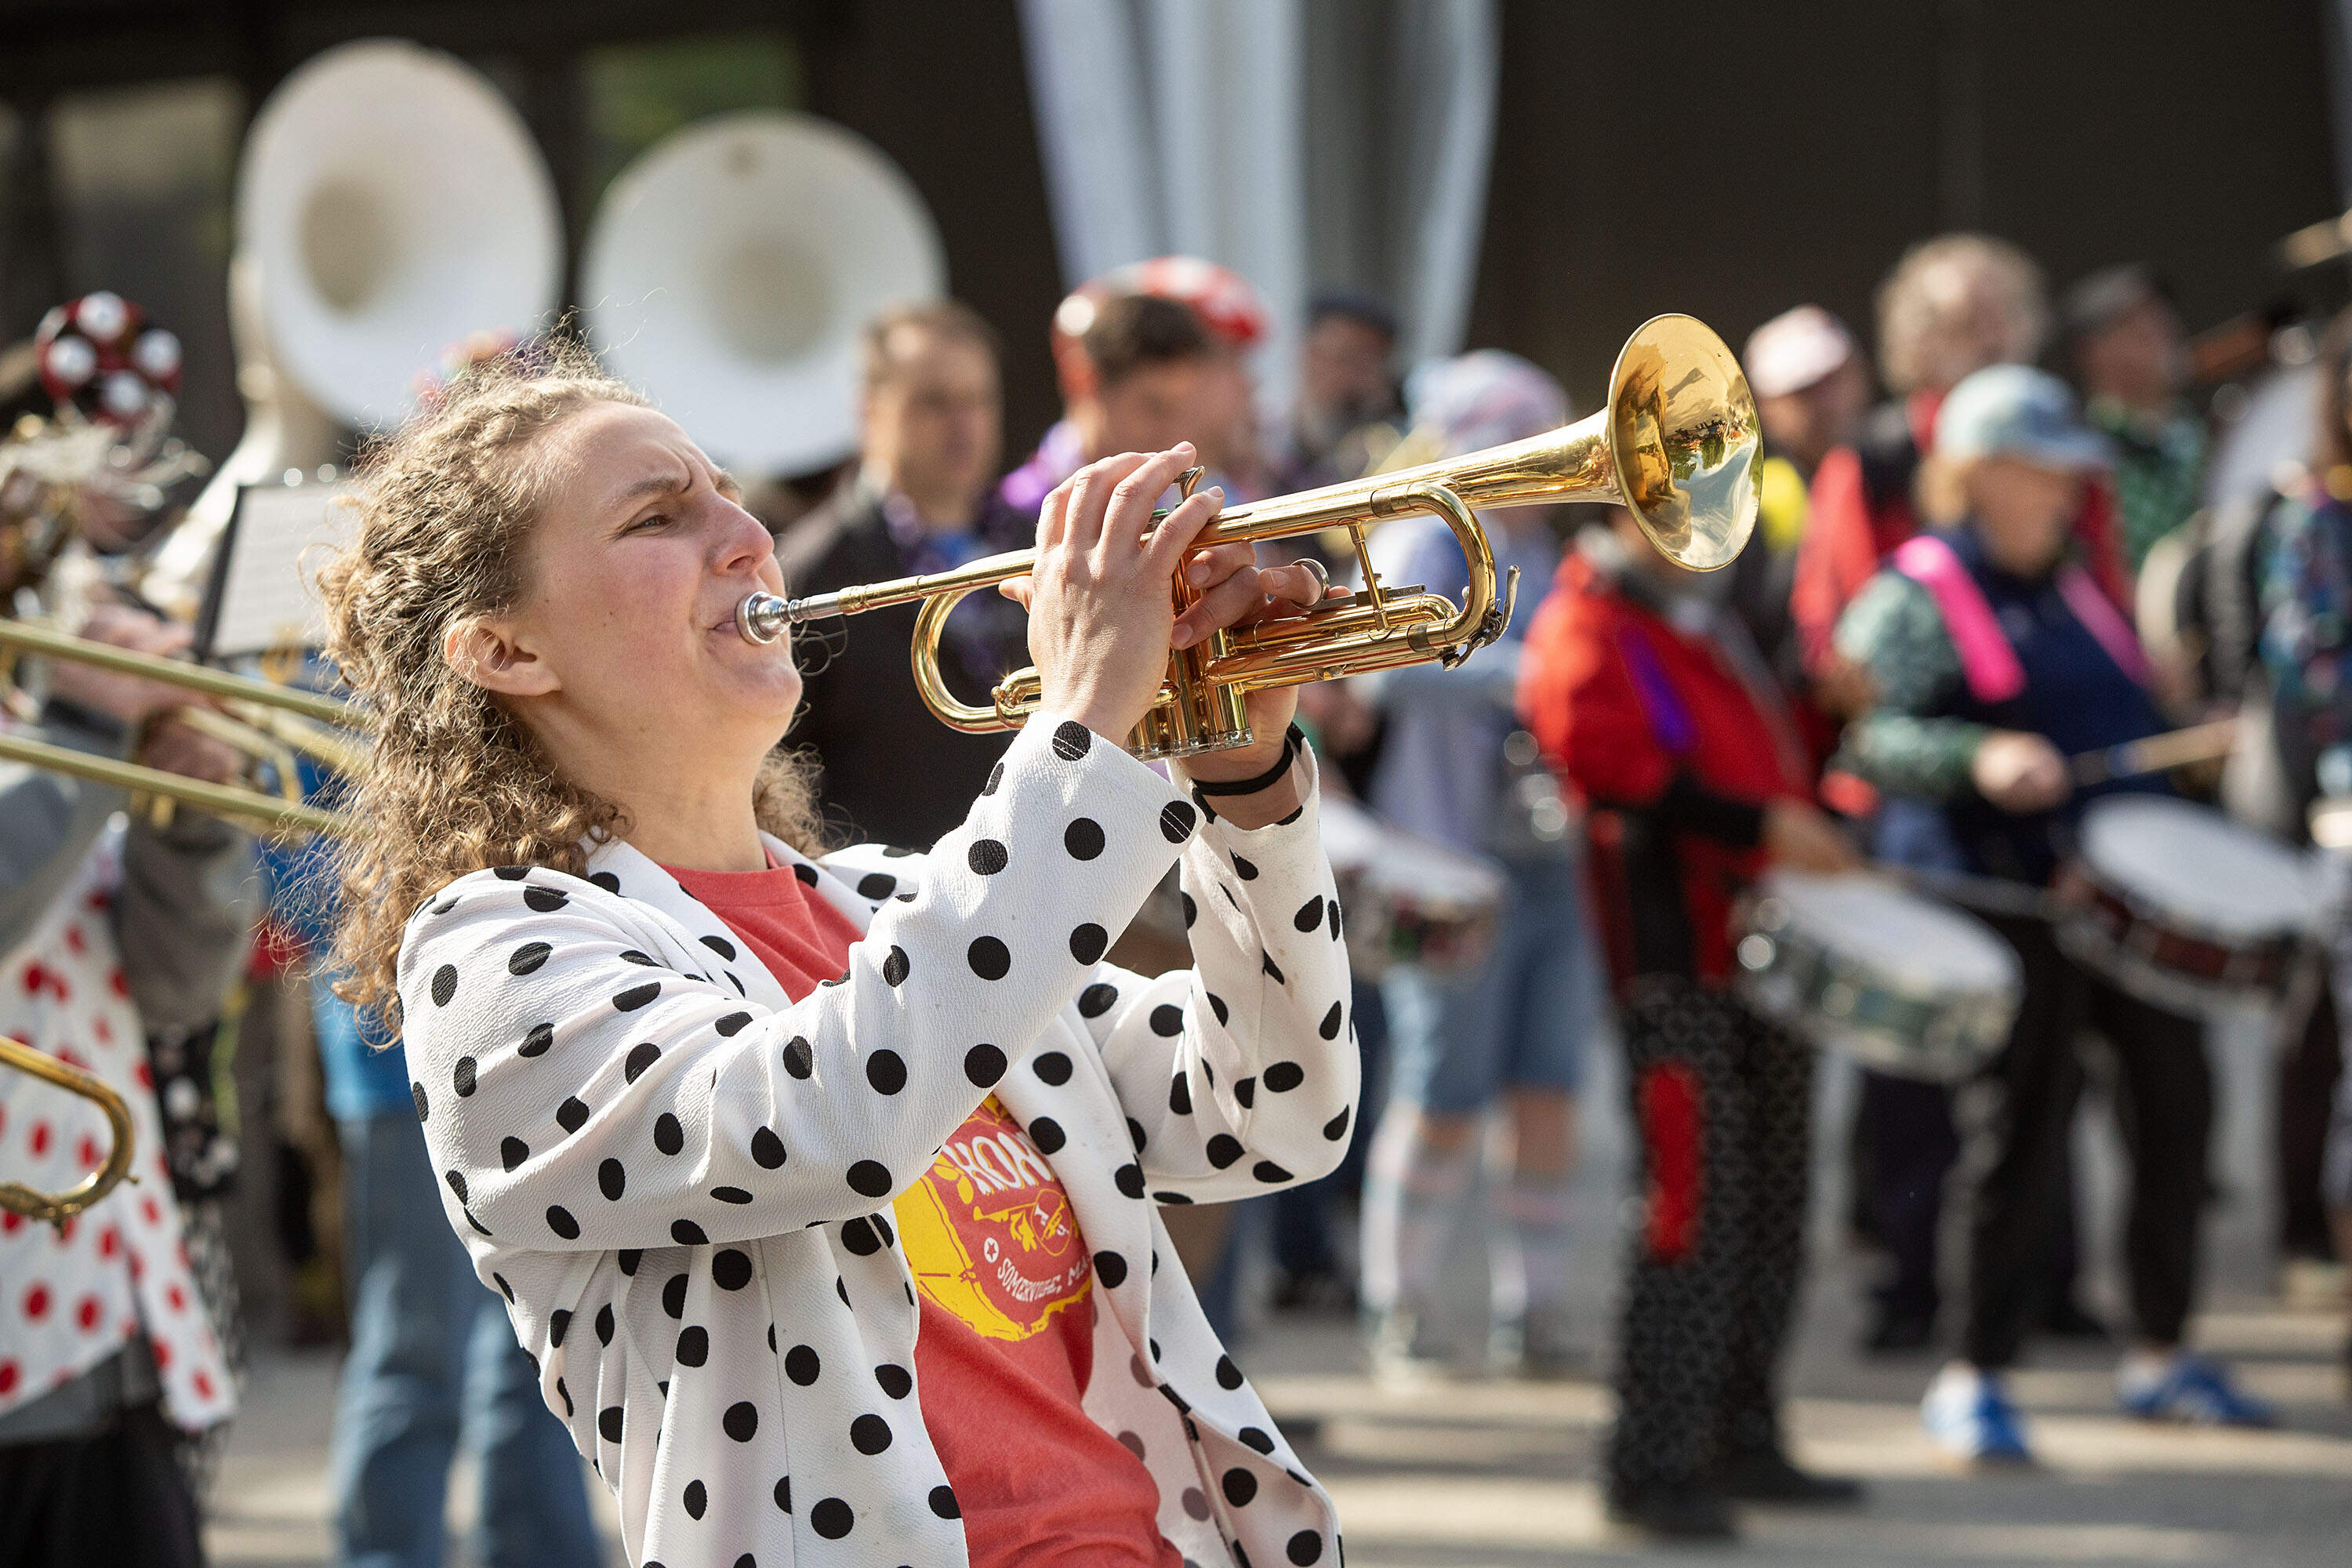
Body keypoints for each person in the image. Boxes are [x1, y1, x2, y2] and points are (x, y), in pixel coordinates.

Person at [317, 348, 1358, 1568]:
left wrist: (1242, 779)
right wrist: (1082, 725)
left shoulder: (891, 905)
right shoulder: (495, 953)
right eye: (660, 515)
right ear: (507, 651)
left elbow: (1272, 1110)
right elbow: (828, 1122)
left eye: (724, 490)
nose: (748, 537)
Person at [1833, 365, 2273, 1465]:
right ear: (1978, 475)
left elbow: (2126, 724)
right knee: (2014, 1146)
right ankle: (1972, 1371)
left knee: (2179, 1108)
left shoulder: (2079, 584)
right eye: (2047, 471)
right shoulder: (1917, 590)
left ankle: (2162, 1354)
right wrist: (1979, 754)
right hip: (2008, 903)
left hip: (2123, 907)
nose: (2072, 492)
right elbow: (1869, 740)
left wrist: (2192, 730)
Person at [1519, 499, 1862, 1540]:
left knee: (1773, 1204)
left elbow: (1762, 754)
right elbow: (1611, 764)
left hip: (1763, 951)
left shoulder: (1693, 623)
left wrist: (1829, 715)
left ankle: (1741, 1432)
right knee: (1691, 1213)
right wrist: (1764, 824)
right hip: (1676, 963)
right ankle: (1651, 1461)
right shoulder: (1587, 625)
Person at [1352, 353, 1608, 1383]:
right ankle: (1398, 1309)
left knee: (1547, 1087)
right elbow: (1381, 673)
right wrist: (1536, 676)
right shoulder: (1431, 532)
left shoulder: (1547, 552)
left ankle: (1531, 1312)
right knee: (1442, 1087)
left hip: (1549, 859)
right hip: (1443, 856)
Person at [0, 599, 250, 1566]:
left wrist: (186, 823)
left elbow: (172, 988)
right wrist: (86, 732)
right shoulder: (54, 732)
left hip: (108, 1303)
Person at [1793, 234, 2126, 703]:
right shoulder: (1870, 462)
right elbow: (1844, 641)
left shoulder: (2065, 448)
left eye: (2006, 316)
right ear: (1916, 343)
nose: (1994, 340)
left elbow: (2102, 592)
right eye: (1967, 324)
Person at [775, 301, 1033, 850]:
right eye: (934, 401)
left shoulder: (1039, 541)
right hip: (893, 906)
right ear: (870, 411)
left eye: (979, 399)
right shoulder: (807, 574)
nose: (963, 424)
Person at [1732, 305, 1870, 699]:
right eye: (1803, 390)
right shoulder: (1749, 501)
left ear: (1860, 375)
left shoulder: (1903, 469)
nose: (1824, 402)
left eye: (1832, 380)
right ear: (1765, 406)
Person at [1002, 290, 1226, 514]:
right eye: (1155, 407)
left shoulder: (1192, 493)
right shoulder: (1011, 511)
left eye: (1183, 411)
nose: (1175, 431)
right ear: (1085, 381)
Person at [2065, 265, 2207, 575]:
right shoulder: (2080, 456)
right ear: (2092, 351)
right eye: (2132, 324)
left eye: (2160, 315)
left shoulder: (2196, 431)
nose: (2158, 331)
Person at [1279, 290, 1403, 492]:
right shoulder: (1262, 453)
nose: (1354, 378)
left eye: (1368, 365)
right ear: (1309, 356)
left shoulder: (1400, 452)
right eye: (1346, 359)